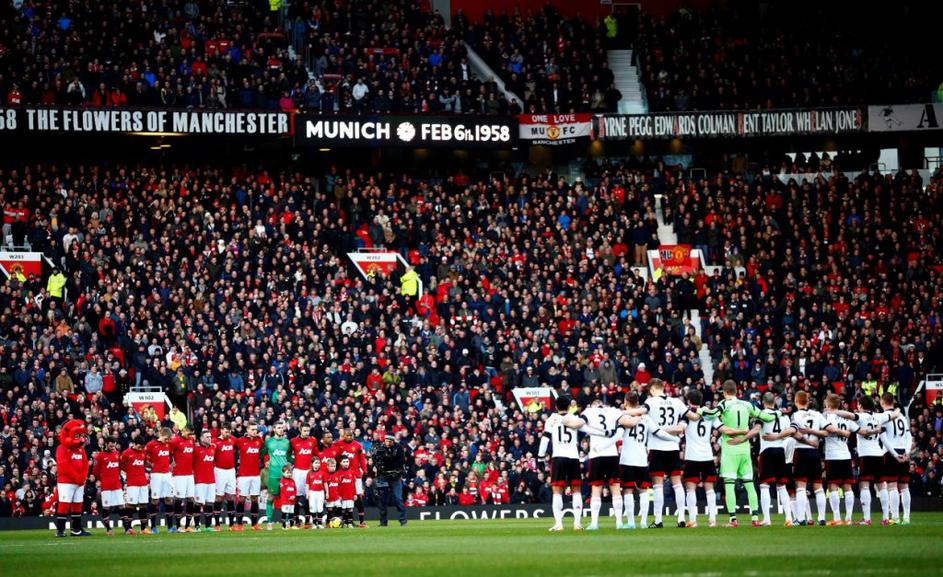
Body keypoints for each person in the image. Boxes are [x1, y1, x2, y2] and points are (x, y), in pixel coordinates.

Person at [699, 380, 777, 527]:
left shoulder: (724, 404)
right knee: (749, 483)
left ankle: (733, 520)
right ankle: (755, 519)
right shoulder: (747, 404)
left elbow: (711, 414)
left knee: (729, 484)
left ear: (724, 392)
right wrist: (779, 412)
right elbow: (766, 417)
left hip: (730, 448)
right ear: (736, 391)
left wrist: (697, 410)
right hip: (745, 448)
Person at [626, 379, 690, 528]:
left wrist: (620, 412)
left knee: (658, 485)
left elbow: (640, 412)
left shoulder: (651, 401)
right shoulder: (677, 402)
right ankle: (681, 518)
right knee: (677, 484)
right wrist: (678, 429)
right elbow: (687, 417)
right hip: (673, 447)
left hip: (657, 447)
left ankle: (658, 519)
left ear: (653, 389)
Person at [537, 395, 606, 531]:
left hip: (558, 457)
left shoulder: (551, 420)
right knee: (576, 491)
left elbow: (545, 440)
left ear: (556, 407)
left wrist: (540, 458)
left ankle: (559, 524)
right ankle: (577, 523)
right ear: (569, 407)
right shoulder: (575, 419)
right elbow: (587, 430)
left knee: (557, 491)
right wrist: (605, 433)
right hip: (574, 457)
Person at [613, 391, 678, 529]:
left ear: (625, 402)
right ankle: (643, 522)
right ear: (638, 402)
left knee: (628, 490)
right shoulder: (646, 417)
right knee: (643, 490)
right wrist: (674, 438)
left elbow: (617, 435)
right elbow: (659, 432)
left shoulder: (623, 416)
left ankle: (631, 522)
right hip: (642, 459)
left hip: (627, 459)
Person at [581, 396, 626, 530]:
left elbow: (581, 424)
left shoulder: (589, 411)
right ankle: (619, 523)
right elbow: (624, 420)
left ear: (593, 405)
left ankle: (594, 523)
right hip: (611, 453)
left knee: (596, 489)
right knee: (616, 490)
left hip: (597, 455)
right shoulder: (612, 410)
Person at [750, 392, 794, 527]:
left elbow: (756, 429)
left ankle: (767, 519)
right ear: (775, 402)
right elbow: (791, 431)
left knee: (764, 486)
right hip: (780, 451)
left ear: (763, 402)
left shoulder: (762, 415)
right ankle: (788, 518)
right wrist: (778, 436)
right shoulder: (784, 416)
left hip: (767, 451)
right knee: (782, 486)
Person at [853, 395, 898, 525]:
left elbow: (849, 416)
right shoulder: (879, 416)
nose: (857, 407)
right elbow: (894, 414)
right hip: (878, 455)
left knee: (864, 485)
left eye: (858, 404)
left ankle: (867, 519)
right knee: (881, 486)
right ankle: (885, 518)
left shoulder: (859, 417)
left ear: (861, 406)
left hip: (865, 455)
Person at [822, 394, 863, 526]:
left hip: (832, 455)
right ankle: (849, 518)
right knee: (847, 486)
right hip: (845, 454)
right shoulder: (847, 418)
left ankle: (837, 518)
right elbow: (860, 431)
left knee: (832, 485)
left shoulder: (826, 417)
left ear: (828, 405)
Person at [680, 390, 719, 528]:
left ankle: (692, 520)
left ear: (689, 401)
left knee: (690, 489)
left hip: (692, 456)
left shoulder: (686, 414)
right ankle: (712, 520)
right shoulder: (709, 413)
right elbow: (720, 428)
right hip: (707, 455)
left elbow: (680, 429)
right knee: (710, 489)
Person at [789, 390, 828, 526]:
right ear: (808, 401)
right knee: (818, 486)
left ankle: (800, 519)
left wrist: (807, 437)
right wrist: (813, 433)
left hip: (801, 451)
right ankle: (822, 518)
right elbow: (827, 431)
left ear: (796, 401)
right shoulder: (817, 415)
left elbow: (793, 433)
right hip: (814, 453)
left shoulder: (795, 415)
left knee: (800, 486)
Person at [54, 419, 91, 537]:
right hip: (66, 482)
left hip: (79, 482)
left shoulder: (80, 449)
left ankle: (76, 529)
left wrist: (83, 478)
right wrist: (77, 477)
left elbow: (85, 464)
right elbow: (64, 466)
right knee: (64, 504)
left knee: (77, 504)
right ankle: (60, 530)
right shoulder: (61, 448)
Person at [880, 393, 913, 525]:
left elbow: (884, 438)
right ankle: (906, 517)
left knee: (892, 486)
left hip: (890, 452)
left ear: (882, 403)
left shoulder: (883, 417)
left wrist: (894, 454)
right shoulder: (902, 417)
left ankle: (894, 517)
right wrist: (907, 452)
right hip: (903, 451)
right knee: (904, 487)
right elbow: (909, 436)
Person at [372, 433, 407, 526]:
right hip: (383, 477)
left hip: (396, 477)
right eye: (386, 440)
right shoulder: (379, 448)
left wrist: (388, 462)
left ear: (393, 441)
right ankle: (383, 522)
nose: (387, 442)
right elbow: (376, 461)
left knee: (398, 498)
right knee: (382, 499)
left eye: (389, 441)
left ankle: (403, 520)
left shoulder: (399, 448)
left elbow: (402, 461)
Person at [335, 428, 368, 527]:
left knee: (358, 498)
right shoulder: (337, 444)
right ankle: (346, 520)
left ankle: (362, 521)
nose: (349, 437)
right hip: (342, 475)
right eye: (347, 435)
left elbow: (362, 459)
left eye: (351, 435)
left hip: (356, 475)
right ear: (343, 435)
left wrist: (365, 470)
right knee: (343, 498)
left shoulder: (357, 445)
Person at [262, 421, 292, 530]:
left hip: (285, 475)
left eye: (282, 428)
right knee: (271, 497)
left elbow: (289, 456)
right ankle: (269, 522)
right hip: (273, 474)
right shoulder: (269, 442)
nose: (281, 429)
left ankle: (286, 521)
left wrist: (292, 464)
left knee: (287, 498)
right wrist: (267, 462)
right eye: (279, 427)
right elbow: (262, 454)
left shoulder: (287, 442)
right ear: (274, 429)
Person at [235, 423, 264, 530]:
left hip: (256, 475)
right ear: (247, 430)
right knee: (242, 498)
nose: (254, 431)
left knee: (255, 498)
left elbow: (264, 452)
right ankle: (239, 524)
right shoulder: (240, 441)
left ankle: (254, 524)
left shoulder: (259, 441)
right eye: (252, 429)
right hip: (243, 475)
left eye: (256, 429)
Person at [92, 437, 123, 536]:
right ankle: (108, 529)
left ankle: (127, 529)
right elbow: (95, 472)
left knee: (122, 506)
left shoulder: (117, 454)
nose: (113, 447)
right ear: (106, 444)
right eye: (110, 446)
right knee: (106, 507)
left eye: (114, 446)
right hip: (106, 486)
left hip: (117, 485)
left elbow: (119, 468)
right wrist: (103, 478)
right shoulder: (100, 456)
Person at [145, 427, 173, 533]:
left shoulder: (168, 444)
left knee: (168, 499)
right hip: (156, 475)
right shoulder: (151, 444)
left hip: (166, 474)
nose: (167, 441)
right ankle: (153, 527)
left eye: (168, 439)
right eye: (166, 439)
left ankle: (170, 527)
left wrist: (171, 465)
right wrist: (149, 464)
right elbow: (143, 456)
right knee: (155, 500)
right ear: (161, 434)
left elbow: (171, 457)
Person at [290, 425, 319, 527]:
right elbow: (288, 454)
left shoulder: (313, 441)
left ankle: (307, 521)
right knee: (296, 497)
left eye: (308, 430)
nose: (307, 432)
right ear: (300, 430)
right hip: (297, 472)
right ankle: (296, 521)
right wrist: (292, 462)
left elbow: (316, 455)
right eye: (305, 430)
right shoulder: (293, 441)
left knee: (308, 497)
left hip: (309, 471)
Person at [169, 426, 196, 532]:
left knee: (190, 499)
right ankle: (178, 526)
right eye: (189, 433)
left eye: (192, 434)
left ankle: (188, 526)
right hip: (179, 474)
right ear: (184, 431)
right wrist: (171, 462)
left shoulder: (191, 440)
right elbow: (168, 452)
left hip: (190, 474)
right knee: (179, 499)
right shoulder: (175, 441)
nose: (191, 436)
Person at [120, 437, 149, 534]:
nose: (141, 449)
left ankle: (143, 529)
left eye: (142, 447)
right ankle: (128, 529)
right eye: (139, 447)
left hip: (143, 482)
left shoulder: (143, 452)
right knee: (131, 505)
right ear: (134, 444)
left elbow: (144, 463)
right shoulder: (126, 453)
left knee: (143, 504)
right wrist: (129, 473)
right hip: (132, 483)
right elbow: (121, 465)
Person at [214, 423, 238, 529]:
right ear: (221, 430)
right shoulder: (215, 441)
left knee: (231, 496)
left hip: (231, 471)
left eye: (229, 432)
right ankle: (217, 524)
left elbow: (239, 447)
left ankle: (232, 524)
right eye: (226, 431)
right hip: (219, 470)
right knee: (218, 497)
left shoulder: (233, 439)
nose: (228, 434)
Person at [193, 430, 217, 532]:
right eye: (207, 437)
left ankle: (207, 526)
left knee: (210, 503)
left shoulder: (213, 448)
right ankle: (197, 526)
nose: (210, 438)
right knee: (198, 503)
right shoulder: (196, 449)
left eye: (210, 437)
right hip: (199, 481)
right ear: (202, 438)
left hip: (211, 480)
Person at [306, 457, 327, 529]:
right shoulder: (309, 473)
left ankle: (320, 523)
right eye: (316, 463)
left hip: (320, 493)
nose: (317, 464)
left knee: (320, 508)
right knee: (313, 508)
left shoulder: (322, 473)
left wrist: (327, 493)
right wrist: (307, 493)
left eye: (318, 463)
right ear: (312, 464)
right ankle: (314, 524)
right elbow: (307, 484)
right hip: (312, 493)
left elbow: (325, 483)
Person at [337, 456, 358, 528]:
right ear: (340, 463)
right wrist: (338, 495)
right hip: (342, 495)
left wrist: (355, 494)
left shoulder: (352, 472)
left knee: (350, 508)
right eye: (344, 462)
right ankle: (344, 522)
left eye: (347, 462)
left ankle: (350, 523)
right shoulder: (338, 473)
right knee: (343, 509)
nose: (346, 463)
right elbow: (337, 486)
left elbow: (353, 484)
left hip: (350, 494)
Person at [278, 465, 298, 530]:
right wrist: (289, 496)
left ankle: (291, 525)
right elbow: (283, 490)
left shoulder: (292, 480)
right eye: (287, 472)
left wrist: (294, 496)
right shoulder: (282, 481)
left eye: (290, 472)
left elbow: (295, 489)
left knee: (291, 512)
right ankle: (283, 526)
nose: (289, 474)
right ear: (283, 473)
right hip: (285, 500)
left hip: (292, 500)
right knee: (285, 512)